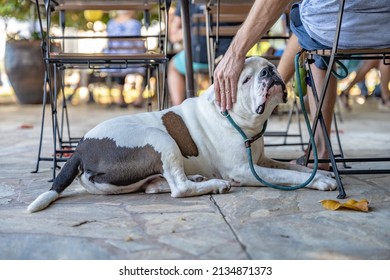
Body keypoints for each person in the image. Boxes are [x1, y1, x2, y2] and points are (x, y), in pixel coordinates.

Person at [213, 0, 390, 170]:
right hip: (385, 28)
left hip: (336, 26)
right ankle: (274, 88)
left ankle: (319, 152)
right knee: (310, 29)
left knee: (310, 33)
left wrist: (235, 53)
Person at [167, 2, 232, 105]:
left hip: (196, 58)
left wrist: (192, 32)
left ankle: (178, 107)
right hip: (229, 58)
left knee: (173, 66)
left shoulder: (186, 3)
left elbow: (173, 36)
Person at [104, 10, 146, 108]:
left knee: (120, 61)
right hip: (133, 60)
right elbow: (138, 43)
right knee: (149, 66)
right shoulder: (135, 23)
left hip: (115, 60)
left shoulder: (111, 23)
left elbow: (109, 43)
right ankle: (139, 98)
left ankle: (120, 98)